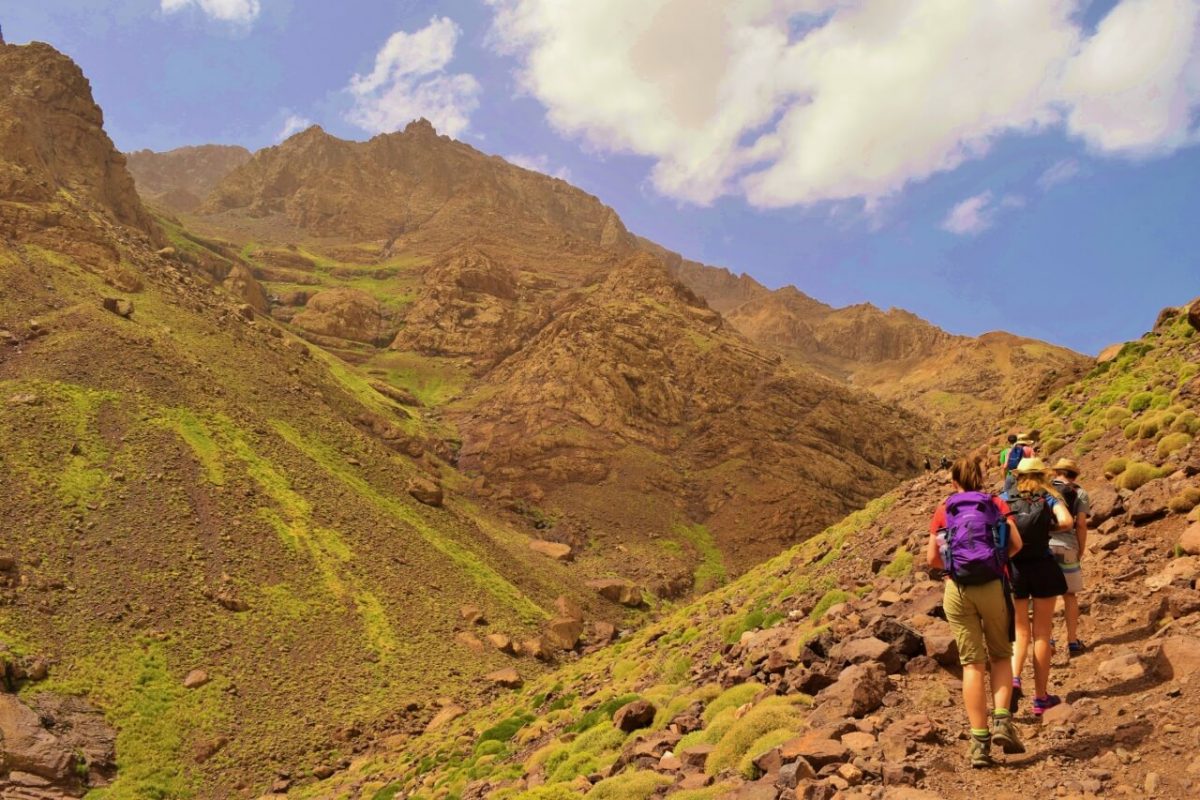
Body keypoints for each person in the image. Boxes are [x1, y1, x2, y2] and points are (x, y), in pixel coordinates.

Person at [928, 456, 1025, 767]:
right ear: (981, 478)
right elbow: (1017, 544)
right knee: (1000, 656)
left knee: (972, 665)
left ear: (953, 481)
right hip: (993, 586)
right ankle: (1002, 722)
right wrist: (996, 563)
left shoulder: (945, 509)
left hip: (957, 590)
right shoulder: (994, 503)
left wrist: (954, 568)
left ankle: (979, 744)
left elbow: (932, 559)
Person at [1005, 457, 1072, 716]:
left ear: (1019, 476)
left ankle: (1014, 678)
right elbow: (1066, 522)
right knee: (1042, 634)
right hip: (1043, 566)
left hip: (1015, 568)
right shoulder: (1048, 496)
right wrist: (1047, 527)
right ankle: (1041, 698)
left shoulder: (1005, 497)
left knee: (1020, 631)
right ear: (1042, 475)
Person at [1051, 458, 1090, 654]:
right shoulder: (1080, 493)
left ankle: (1047, 639)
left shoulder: (1045, 490)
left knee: (1045, 594)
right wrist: (1080, 549)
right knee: (1069, 595)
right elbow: (1081, 524)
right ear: (1074, 475)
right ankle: (1072, 641)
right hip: (1067, 547)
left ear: (1056, 472)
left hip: (1044, 547)